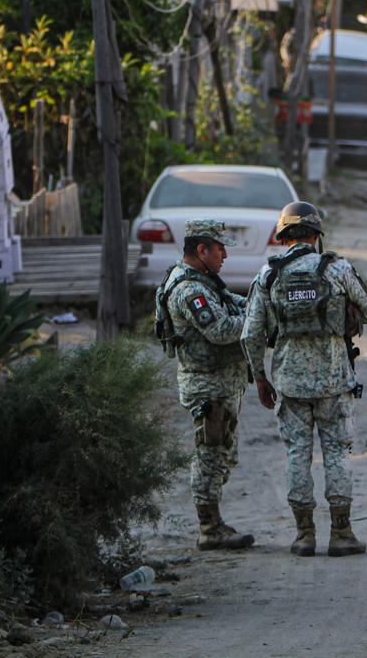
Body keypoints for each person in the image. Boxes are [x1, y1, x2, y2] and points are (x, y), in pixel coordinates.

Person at [242, 201, 367, 557]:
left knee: (296, 454)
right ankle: (341, 533)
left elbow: (250, 334)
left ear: (283, 236)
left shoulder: (268, 275)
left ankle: (304, 536)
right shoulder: (336, 268)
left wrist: (259, 377)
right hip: (334, 379)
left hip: (288, 382)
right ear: (317, 235)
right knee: (336, 452)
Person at [154, 219, 255, 551]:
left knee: (223, 452)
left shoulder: (205, 281)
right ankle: (209, 527)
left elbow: (234, 303)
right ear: (202, 250)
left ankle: (215, 522)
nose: (225, 254)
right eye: (219, 248)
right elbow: (221, 330)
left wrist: (261, 307)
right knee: (210, 454)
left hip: (220, 383)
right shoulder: (190, 290)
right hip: (206, 385)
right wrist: (259, 324)